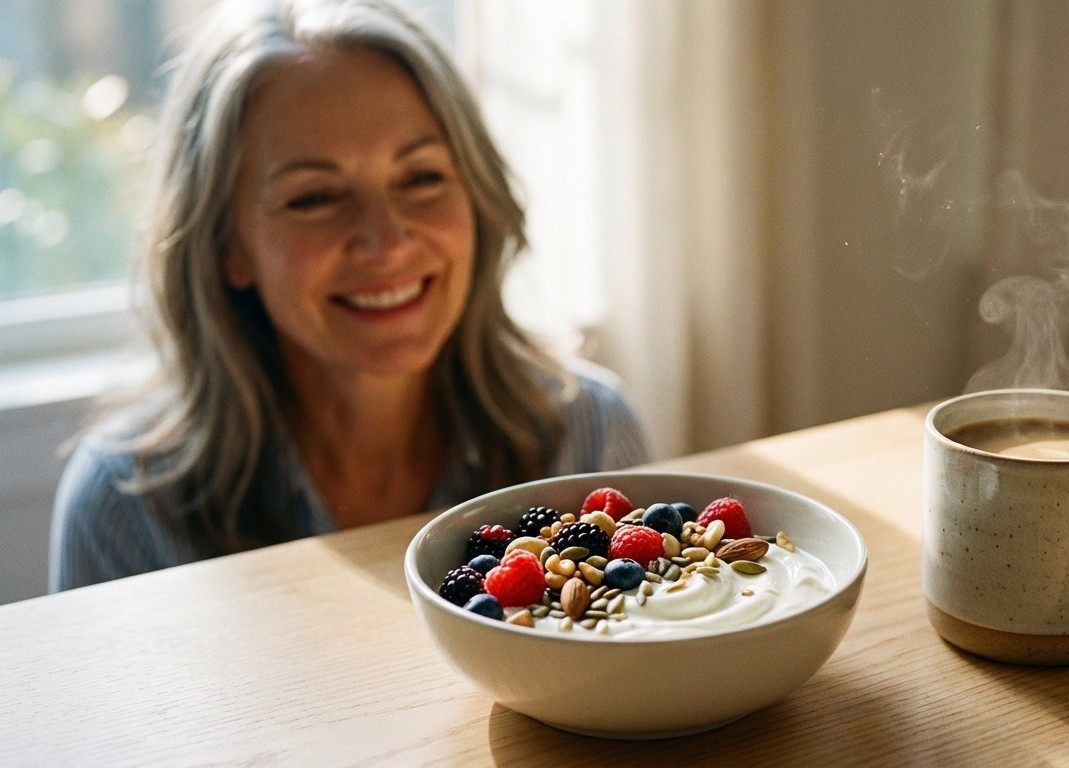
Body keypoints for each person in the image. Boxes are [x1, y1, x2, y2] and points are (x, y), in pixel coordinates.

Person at [49, 0, 649, 591]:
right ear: (227, 246)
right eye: (314, 198)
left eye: (421, 178)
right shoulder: (123, 507)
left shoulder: (590, 434)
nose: (386, 243)